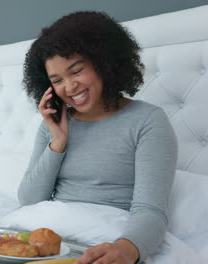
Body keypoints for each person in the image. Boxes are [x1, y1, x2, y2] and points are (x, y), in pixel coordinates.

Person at [18, 11, 178, 264]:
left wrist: (127, 249)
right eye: (57, 80)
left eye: (77, 71)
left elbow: (151, 210)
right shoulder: (53, 124)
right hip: (51, 240)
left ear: (103, 62)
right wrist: (58, 142)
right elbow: (29, 201)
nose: (70, 87)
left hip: (105, 239)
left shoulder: (148, 121)